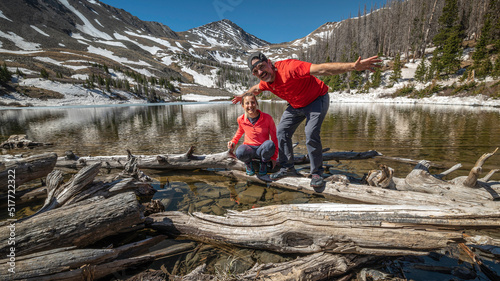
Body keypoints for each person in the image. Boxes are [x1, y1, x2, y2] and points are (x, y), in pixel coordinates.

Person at [232, 52, 381, 189]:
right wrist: (242, 96)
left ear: (269, 63)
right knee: (282, 131)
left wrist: (353, 67)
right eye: (255, 72)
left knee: (310, 133)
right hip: (296, 105)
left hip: (317, 99)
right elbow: (255, 89)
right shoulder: (265, 82)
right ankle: (287, 168)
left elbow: (322, 69)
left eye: (262, 67)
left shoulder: (290, 67)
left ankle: (316, 173)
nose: (260, 72)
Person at [228, 92, 278, 176]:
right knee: (240, 152)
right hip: (249, 150)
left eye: (253, 102)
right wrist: (233, 142)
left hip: (262, 150)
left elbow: (274, 138)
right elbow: (239, 132)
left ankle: (264, 163)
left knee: (270, 144)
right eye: (247, 103)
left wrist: (274, 157)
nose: (250, 105)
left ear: (257, 104)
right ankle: (248, 163)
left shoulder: (267, 118)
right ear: (243, 106)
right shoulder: (241, 119)